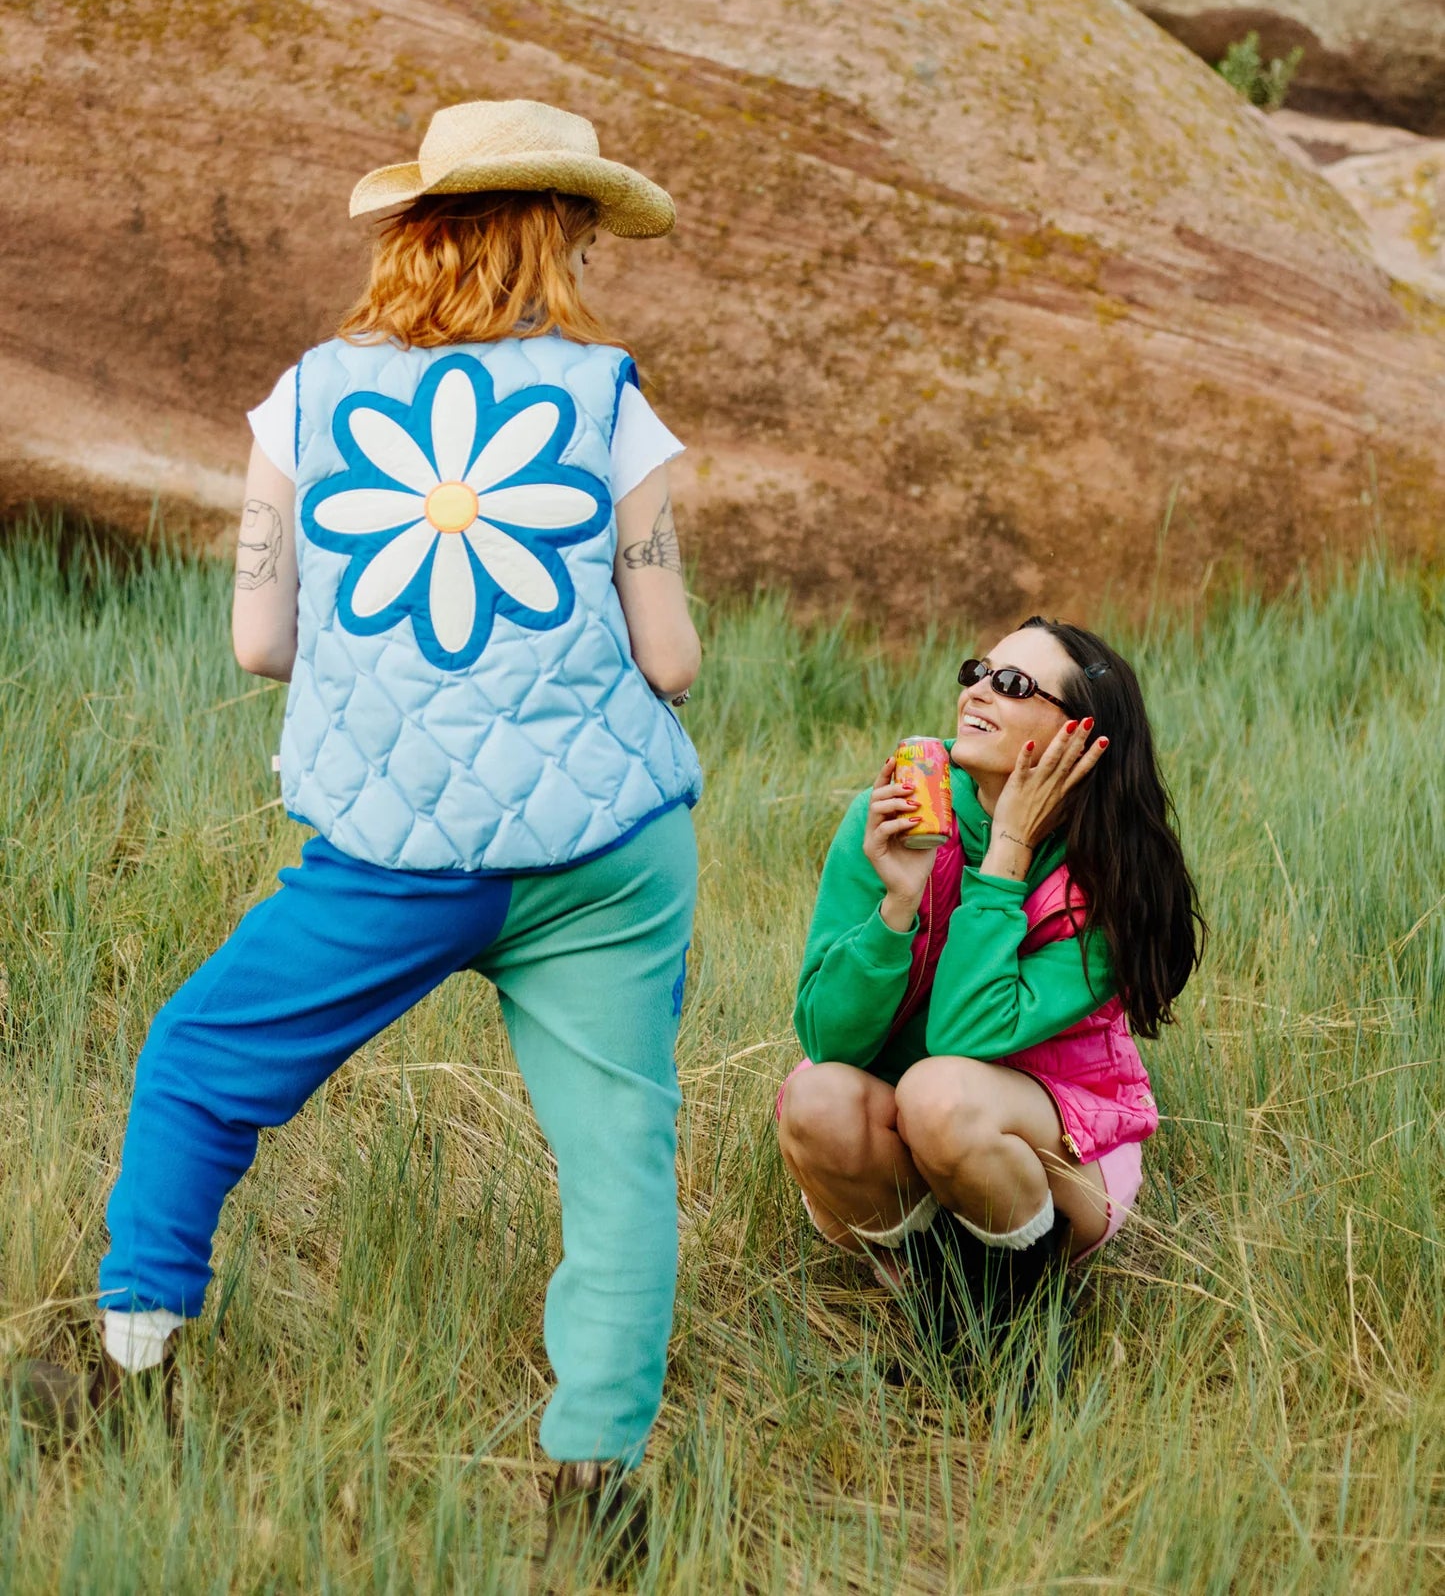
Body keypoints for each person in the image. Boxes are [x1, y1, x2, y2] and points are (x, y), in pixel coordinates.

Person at [19, 100, 702, 1564]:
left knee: (202, 1061)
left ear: (416, 227)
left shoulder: (307, 400)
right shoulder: (608, 398)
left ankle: (133, 1376)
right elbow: (674, 658)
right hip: (608, 851)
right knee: (617, 1159)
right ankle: (597, 1492)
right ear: (559, 236)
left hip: (392, 852)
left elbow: (261, 639)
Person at [777, 617, 1203, 1332]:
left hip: (1060, 1150)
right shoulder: (892, 817)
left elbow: (963, 1034)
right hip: (914, 1128)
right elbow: (829, 1039)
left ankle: (1029, 1312)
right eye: (976, 671)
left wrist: (1006, 854)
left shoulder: (1109, 874)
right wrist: (897, 904)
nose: (977, 691)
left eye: (1011, 685)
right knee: (814, 1099)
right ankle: (938, 1298)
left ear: (1079, 734)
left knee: (938, 1092)